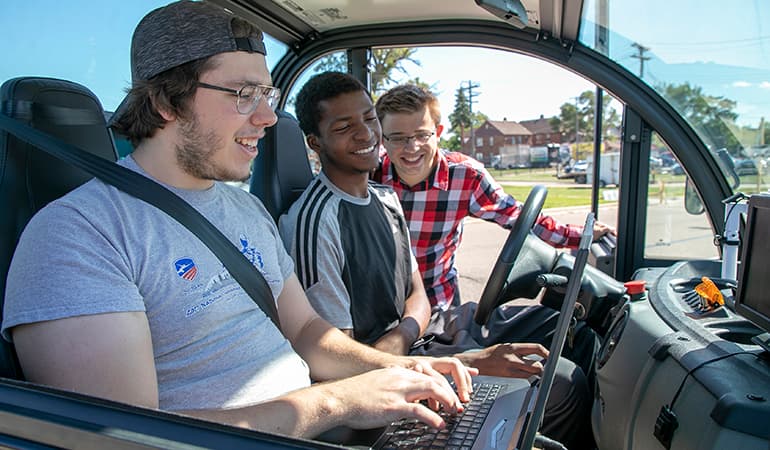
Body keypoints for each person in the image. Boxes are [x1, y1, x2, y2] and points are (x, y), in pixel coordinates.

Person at [1, 1, 477, 441]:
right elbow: (123, 438)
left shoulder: (245, 209)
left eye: (266, 92)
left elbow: (308, 331)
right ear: (168, 101)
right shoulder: (78, 234)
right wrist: (337, 402)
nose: (270, 117)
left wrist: (403, 370)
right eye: (245, 94)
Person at [280, 71, 594, 449]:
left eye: (369, 119)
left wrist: (403, 337)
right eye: (346, 126)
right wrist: (467, 361)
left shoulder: (385, 198)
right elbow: (333, 359)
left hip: (420, 334)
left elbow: (419, 293)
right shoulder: (315, 221)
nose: (366, 134)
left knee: (563, 328)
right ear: (314, 141)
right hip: (380, 367)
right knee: (563, 383)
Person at [372, 83, 616, 310]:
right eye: (398, 137)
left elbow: (518, 217)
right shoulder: (370, 174)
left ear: (438, 132)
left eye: (421, 135)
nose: (412, 147)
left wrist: (579, 235)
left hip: (437, 306)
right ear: (382, 138)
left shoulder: (466, 177)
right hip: (380, 306)